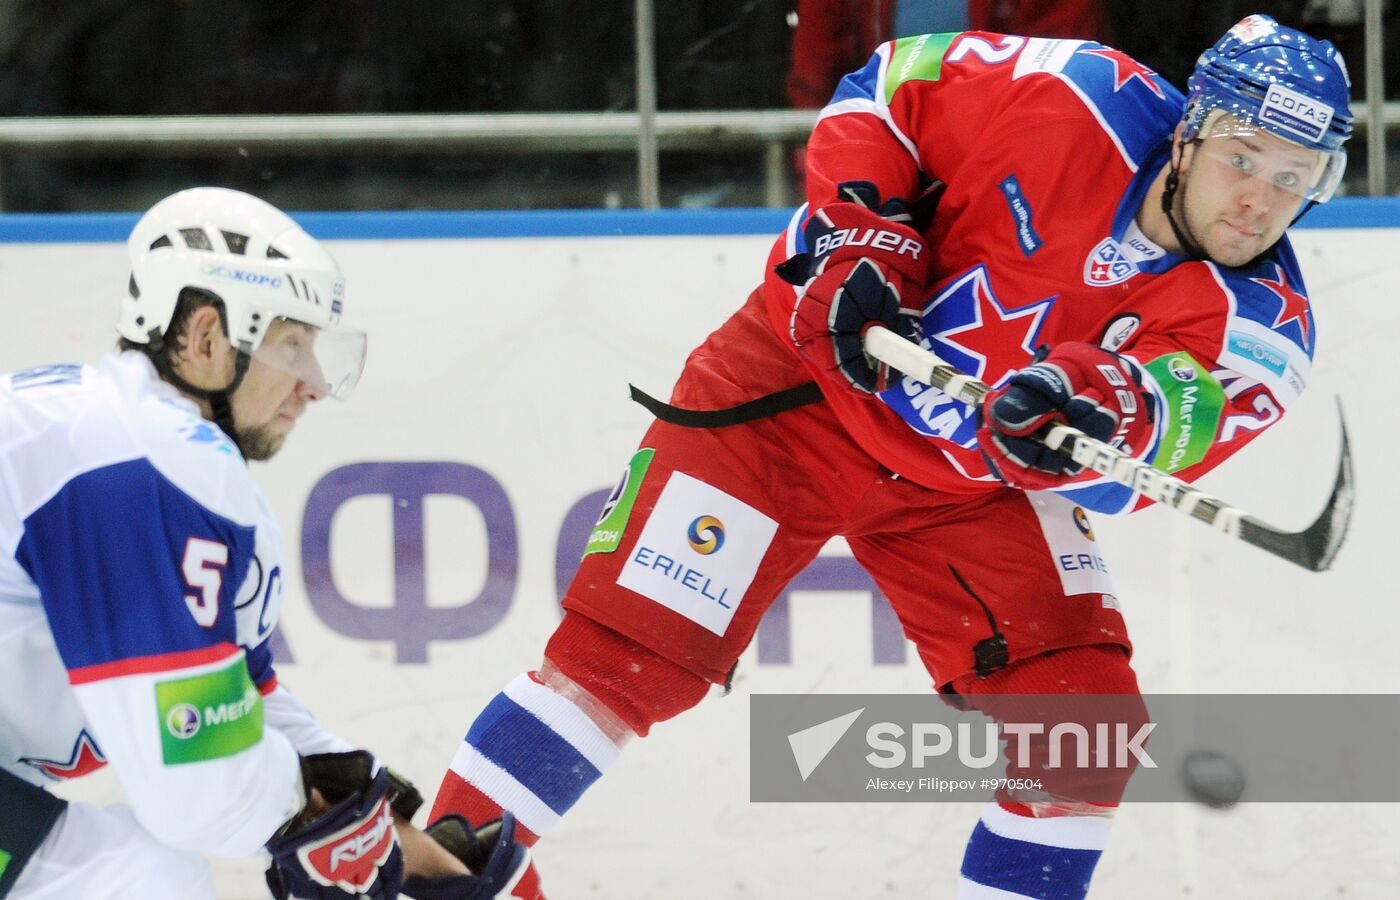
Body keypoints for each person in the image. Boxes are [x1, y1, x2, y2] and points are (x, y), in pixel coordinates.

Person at [430, 14, 1351, 899]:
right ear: (1189, 136)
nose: (1260, 199)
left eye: (1295, 175)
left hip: (972, 487)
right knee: (624, 660)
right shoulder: (1075, 92)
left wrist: (1084, 406)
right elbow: (885, 92)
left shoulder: (1266, 334)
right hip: (794, 396)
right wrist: (868, 239)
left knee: (1083, 733)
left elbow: (1160, 431)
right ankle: (437, 884)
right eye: (1242, 157)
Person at [0, 188, 526, 900]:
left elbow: (234, 700)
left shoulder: (126, 440)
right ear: (206, 337)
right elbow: (191, 779)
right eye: (290, 344)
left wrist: (398, 841)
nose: (313, 383)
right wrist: (354, 844)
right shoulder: (137, 460)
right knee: (140, 881)